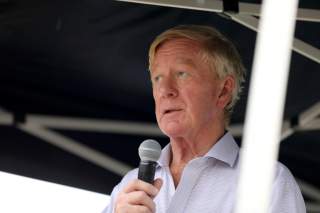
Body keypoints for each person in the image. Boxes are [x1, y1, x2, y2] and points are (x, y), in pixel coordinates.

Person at [102, 25, 306, 213]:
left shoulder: (267, 182)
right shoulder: (128, 188)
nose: (165, 90)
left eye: (182, 74)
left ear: (223, 91)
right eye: (157, 78)